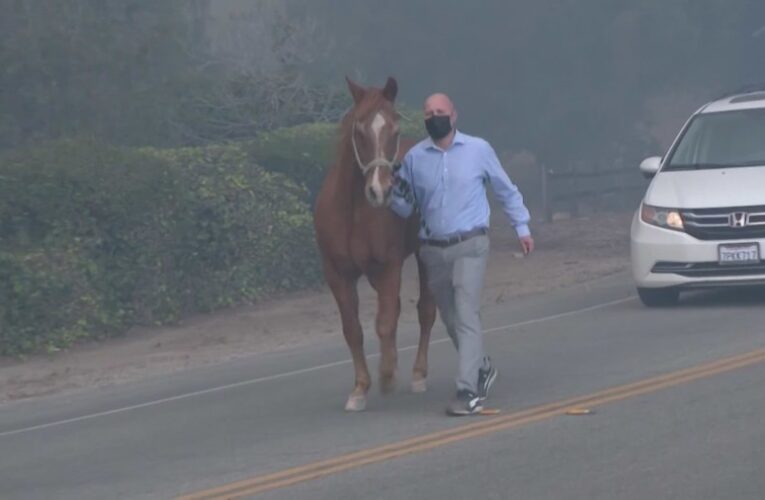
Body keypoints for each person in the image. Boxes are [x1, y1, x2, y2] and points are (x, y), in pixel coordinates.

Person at [389, 92, 534, 416]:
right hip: (432, 249)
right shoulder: (415, 158)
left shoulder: (478, 150)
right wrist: (391, 188)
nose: (434, 116)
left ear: (454, 116)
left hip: (471, 243)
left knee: (466, 313)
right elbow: (404, 207)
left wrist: (521, 227)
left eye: (440, 111)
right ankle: (482, 366)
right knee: (451, 317)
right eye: (428, 112)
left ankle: (467, 390)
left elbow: (505, 189)